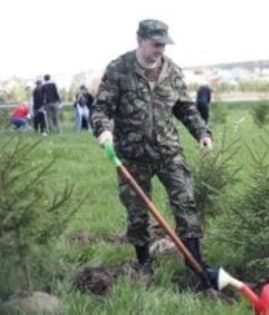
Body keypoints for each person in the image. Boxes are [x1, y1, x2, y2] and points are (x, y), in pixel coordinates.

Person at [91, 19, 215, 285]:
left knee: (185, 202)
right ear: (139, 40)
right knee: (137, 213)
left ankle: (195, 263)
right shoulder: (119, 69)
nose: (160, 50)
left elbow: (185, 108)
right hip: (131, 155)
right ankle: (144, 265)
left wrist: (202, 133)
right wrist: (103, 131)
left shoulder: (172, 72)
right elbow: (101, 108)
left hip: (169, 151)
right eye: (155, 44)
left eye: (163, 45)